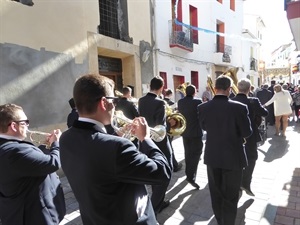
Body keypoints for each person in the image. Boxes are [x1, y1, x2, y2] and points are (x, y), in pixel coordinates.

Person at [59, 74, 171, 225]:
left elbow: (99, 160)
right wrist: (146, 138)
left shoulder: (65, 138)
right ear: (104, 103)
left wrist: (117, 134)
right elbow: (162, 172)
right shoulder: (116, 147)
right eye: (114, 101)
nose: (115, 106)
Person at [197, 75, 252, 225]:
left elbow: (204, 127)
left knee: (216, 193)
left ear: (215, 89)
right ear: (229, 90)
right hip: (234, 157)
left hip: (212, 156)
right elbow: (247, 132)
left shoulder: (202, 107)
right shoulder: (240, 107)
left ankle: (220, 220)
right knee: (231, 195)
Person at [0, 103, 65, 225]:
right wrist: (56, 143)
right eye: (25, 122)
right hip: (34, 216)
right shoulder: (16, 151)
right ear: (13, 125)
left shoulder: (7, 146)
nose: (28, 125)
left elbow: (28, 163)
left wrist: (47, 147)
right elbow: (53, 163)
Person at [138, 76, 173, 214]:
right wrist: (171, 123)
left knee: (153, 171)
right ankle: (154, 206)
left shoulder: (141, 100)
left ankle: (160, 200)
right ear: (161, 87)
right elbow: (162, 127)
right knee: (166, 172)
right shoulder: (160, 102)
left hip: (145, 141)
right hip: (160, 143)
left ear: (150, 86)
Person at [232, 79, 268, 197]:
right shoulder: (253, 101)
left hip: (234, 135)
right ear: (249, 89)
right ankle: (246, 183)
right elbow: (265, 113)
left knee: (236, 158)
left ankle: (236, 183)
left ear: (238, 87)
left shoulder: (231, 100)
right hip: (250, 135)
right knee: (251, 158)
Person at [177, 84, 203, 189]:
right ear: (194, 92)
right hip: (196, 133)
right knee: (196, 154)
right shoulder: (198, 101)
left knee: (187, 153)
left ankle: (189, 173)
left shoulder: (180, 102)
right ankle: (191, 176)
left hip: (185, 132)